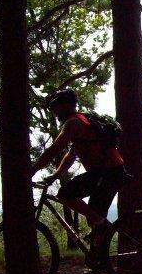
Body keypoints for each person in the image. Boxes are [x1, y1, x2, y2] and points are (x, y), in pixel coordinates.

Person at [31, 89, 126, 254]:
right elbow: (70, 155)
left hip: (107, 172)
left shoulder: (73, 123)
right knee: (94, 217)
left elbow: (54, 149)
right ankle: (100, 261)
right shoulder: (82, 120)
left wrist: (31, 170)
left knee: (65, 195)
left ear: (66, 105)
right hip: (110, 172)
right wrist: (55, 175)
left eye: (56, 106)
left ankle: (102, 227)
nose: (54, 111)